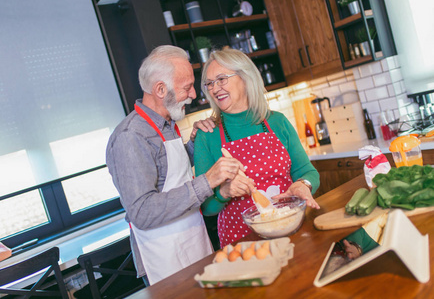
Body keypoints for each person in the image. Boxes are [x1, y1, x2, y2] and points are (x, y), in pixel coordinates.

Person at [106, 45, 245, 285]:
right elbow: (142, 212)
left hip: (194, 241)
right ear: (160, 89)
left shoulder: (166, 123)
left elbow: (168, 173)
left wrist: (192, 145)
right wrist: (208, 181)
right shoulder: (130, 137)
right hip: (165, 259)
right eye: (187, 87)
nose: (194, 95)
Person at [194, 48, 320, 248]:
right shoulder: (206, 136)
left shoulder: (277, 121)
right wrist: (224, 192)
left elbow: (307, 171)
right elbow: (205, 207)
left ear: (245, 77)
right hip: (241, 242)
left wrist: (303, 185)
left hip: (291, 229)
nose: (214, 88)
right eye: (209, 83)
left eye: (221, 79)